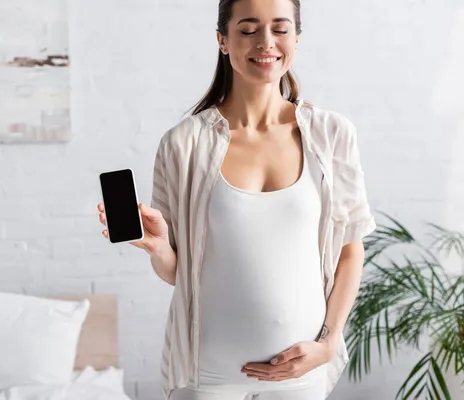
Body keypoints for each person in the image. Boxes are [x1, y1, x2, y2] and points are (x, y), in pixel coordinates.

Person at [97, 0, 376, 399]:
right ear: (222, 41)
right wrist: (160, 248)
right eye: (248, 30)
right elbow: (179, 272)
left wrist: (328, 345)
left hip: (301, 372)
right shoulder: (184, 144)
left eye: (280, 29)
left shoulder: (332, 135)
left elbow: (350, 251)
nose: (266, 42)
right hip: (205, 376)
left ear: (296, 38)